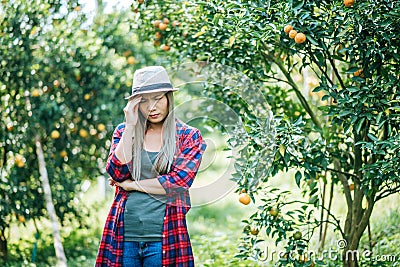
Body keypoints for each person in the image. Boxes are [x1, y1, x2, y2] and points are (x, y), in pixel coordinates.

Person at [95, 66, 207, 267]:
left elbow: (178, 183)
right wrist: (130, 125)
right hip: (124, 234)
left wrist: (132, 185)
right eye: (144, 100)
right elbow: (116, 171)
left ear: (168, 98)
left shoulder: (188, 136)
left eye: (157, 98)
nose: (152, 107)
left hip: (165, 235)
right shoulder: (124, 132)